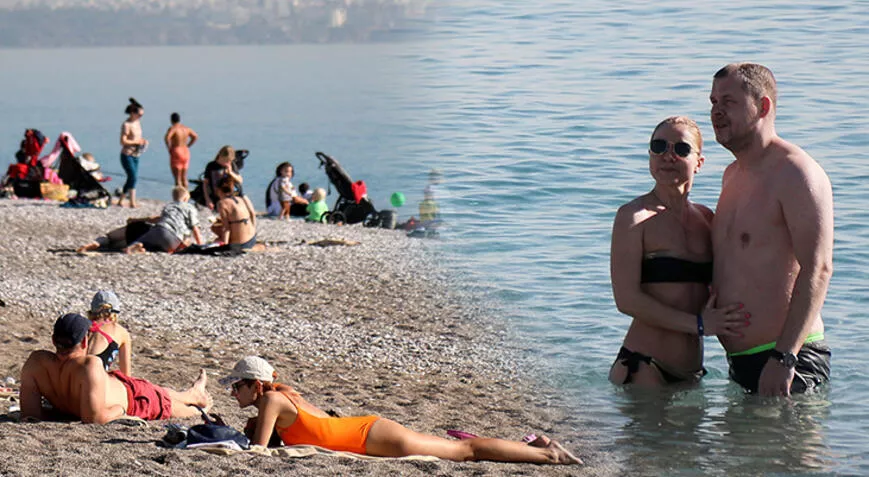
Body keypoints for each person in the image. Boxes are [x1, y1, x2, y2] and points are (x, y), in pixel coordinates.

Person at [709, 63, 833, 396]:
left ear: (763, 106)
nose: (716, 112)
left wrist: (785, 357)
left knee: (789, 450)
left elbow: (818, 268)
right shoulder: (732, 175)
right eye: (712, 102)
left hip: (790, 361)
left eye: (728, 102)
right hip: (741, 361)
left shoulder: (795, 173)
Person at [223, 356, 581, 464]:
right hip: (370, 430)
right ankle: (536, 447)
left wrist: (250, 434)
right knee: (460, 450)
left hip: (372, 437)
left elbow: (259, 453)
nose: (233, 391)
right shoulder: (284, 395)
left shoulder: (271, 401)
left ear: (256, 386)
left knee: (465, 451)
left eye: (236, 385)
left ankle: (550, 455)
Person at [609, 116, 749, 387]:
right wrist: (698, 325)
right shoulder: (633, 217)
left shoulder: (707, 219)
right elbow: (626, 300)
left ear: (699, 163)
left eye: (681, 149)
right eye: (659, 146)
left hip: (692, 373)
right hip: (645, 366)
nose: (668, 156)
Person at [19, 313, 211, 424]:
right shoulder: (89, 365)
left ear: (53, 340)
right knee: (171, 405)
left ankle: (193, 394)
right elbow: (94, 419)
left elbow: (30, 414)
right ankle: (201, 403)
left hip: (127, 387)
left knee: (162, 393)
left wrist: (64, 412)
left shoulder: (36, 362)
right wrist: (120, 409)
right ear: (85, 341)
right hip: (134, 399)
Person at [124, 186, 203, 254]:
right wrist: (200, 244)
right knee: (186, 239)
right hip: (174, 237)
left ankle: (137, 246)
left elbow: (155, 219)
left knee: (143, 240)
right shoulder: (189, 207)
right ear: (186, 198)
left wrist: (135, 220)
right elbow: (195, 228)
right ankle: (145, 248)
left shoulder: (169, 206)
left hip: (159, 229)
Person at [86, 290, 132, 376]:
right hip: (95, 380)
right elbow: (126, 375)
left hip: (72, 378)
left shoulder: (81, 326)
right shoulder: (121, 331)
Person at [212, 176, 257, 251]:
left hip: (241, 243)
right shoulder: (241, 199)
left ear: (218, 190)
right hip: (252, 239)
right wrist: (254, 230)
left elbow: (226, 228)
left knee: (215, 229)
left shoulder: (222, 203)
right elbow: (252, 213)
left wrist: (224, 245)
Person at [118, 97, 148, 208]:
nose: (140, 117)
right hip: (127, 154)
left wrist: (143, 141)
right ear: (132, 113)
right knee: (133, 176)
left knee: (133, 178)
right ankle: (131, 201)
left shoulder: (137, 123)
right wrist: (136, 142)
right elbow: (123, 141)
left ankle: (125, 200)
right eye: (139, 115)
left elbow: (138, 136)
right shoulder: (126, 125)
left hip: (136, 154)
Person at [75, 217, 155, 254]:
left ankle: (96, 243)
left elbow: (153, 218)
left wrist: (135, 220)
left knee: (109, 238)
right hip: (147, 237)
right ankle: (138, 248)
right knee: (113, 246)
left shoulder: (166, 211)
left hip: (142, 227)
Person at [164, 112, 198, 189]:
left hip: (177, 150)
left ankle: (178, 198)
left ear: (171, 120)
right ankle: (186, 196)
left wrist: (169, 148)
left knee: (177, 179)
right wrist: (188, 145)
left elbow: (167, 138)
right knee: (184, 177)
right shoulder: (186, 128)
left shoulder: (173, 128)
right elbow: (195, 136)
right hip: (185, 151)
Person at [203, 145, 243, 210]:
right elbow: (205, 184)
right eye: (226, 160)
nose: (227, 163)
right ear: (220, 156)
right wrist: (208, 199)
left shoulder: (231, 164)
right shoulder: (211, 166)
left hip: (233, 195)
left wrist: (231, 173)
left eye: (229, 161)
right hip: (217, 197)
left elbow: (240, 180)